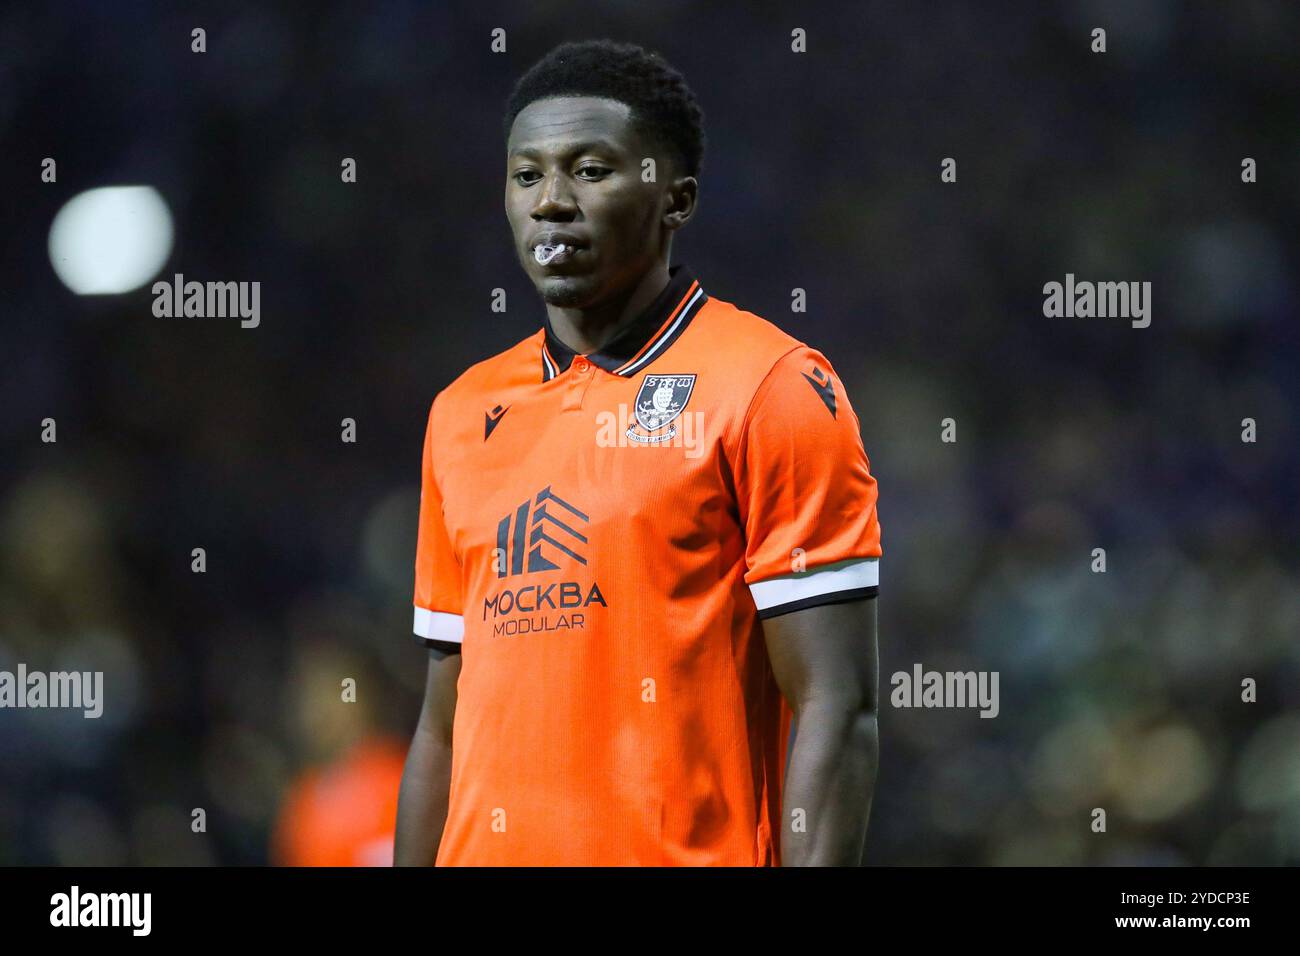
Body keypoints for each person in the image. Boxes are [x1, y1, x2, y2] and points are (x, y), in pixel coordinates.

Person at [395, 39, 882, 866]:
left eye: (591, 170)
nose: (551, 201)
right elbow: (442, 723)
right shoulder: (461, 413)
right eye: (526, 176)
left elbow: (837, 704)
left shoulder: (771, 386)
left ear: (674, 198)